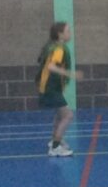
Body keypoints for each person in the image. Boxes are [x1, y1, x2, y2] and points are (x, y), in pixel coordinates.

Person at [36, 21, 84, 157]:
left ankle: (55, 140)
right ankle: (55, 147)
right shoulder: (59, 49)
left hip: (51, 86)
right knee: (68, 115)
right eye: (68, 31)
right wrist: (71, 74)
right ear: (60, 34)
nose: (70, 34)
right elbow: (51, 67)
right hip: (50, 87)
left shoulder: (53, 46)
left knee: (60, 115)